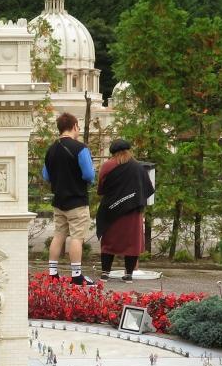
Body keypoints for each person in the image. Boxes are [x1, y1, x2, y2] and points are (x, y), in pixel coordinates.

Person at [42, 112, 96, 285]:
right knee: (77, 238)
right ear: (74, 126)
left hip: (59, 201)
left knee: (58, 235)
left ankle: (52, 274)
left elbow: (46, 175)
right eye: (78, 127)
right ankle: (76, 276)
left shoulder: (51, 149)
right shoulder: (80, 148)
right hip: (77, 201)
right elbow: (89, 175)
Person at [96, 139, 155, 282]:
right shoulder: (138, 167)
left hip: (111, 210)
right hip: (133, 210)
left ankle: (105, 273)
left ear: (113, 152)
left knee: (109, 241)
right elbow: (147, 188)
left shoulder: (107, 166)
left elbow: (101, 189)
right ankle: (129, 274)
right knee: (132, 243)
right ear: (129, 150)